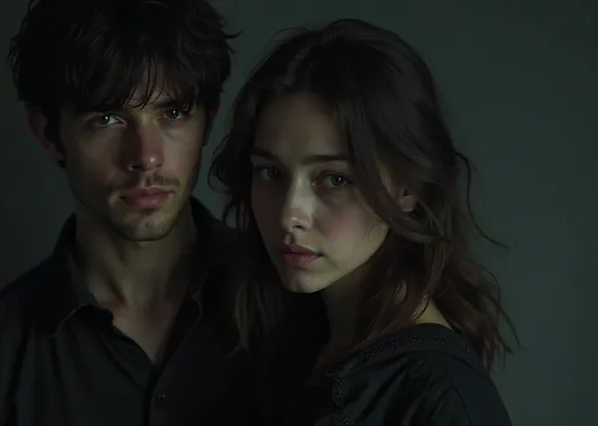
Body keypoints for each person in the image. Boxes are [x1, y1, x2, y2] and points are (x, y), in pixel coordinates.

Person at [0, 1, 260, 425]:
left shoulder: (295, 310)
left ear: (208, 121)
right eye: (107, 118)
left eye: (172, 113)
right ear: (49, 133)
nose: (146, 157)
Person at [211, 18, 517, 426]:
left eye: (335, 179)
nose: (289, 214)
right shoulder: (289, 344)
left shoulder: (443, 399)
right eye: (271, 172)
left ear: (408, 188)